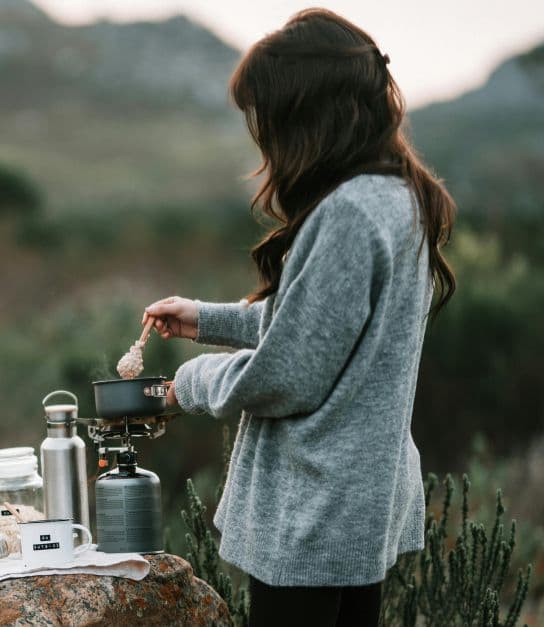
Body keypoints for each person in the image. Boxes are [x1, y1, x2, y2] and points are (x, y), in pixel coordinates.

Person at [141, 8, 456, 627]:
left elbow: (288, 376)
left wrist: (189, 384)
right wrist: (205, 319)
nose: (266, 137)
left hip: (313, 513)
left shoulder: (348, 213)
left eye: (271, 116)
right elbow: (324, 329)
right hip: (359, 507)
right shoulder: (398, 197)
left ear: (308, 113)